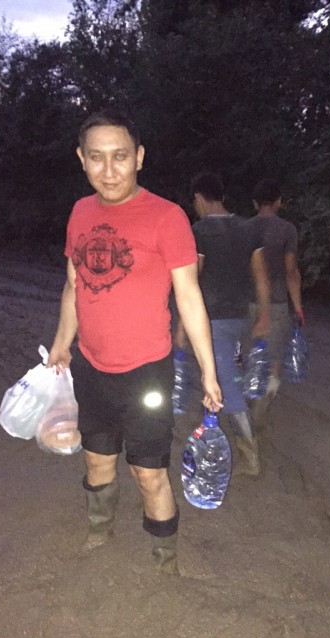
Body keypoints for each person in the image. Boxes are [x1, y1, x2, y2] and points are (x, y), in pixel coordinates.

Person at [47, 108, 222, 574]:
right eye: (97, 157)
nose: (109, 170)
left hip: (146, 372)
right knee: (97, 463)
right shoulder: (80, 212)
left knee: (148, 472)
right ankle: (99, 530)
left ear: (139, 157)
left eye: (120, 156)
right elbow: (74, 285)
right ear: (82, 159)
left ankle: (165, 557)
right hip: (91, 368)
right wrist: (62, 343)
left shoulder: (167, 217)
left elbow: (189, 297)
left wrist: (208, 371)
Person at [176, 172, 270, 476]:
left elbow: (192, 281)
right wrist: (264, 314)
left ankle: (249, 453)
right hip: (243, 317)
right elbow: (261, 275)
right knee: (226, 376)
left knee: (225, 383)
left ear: (199, 198)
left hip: (212, 320)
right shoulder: (248, 228)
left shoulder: (199, 231)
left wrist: (182, 326)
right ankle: (213, 431)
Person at [246, 178, 304, 426]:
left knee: (249, 355)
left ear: (255, 203)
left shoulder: (244, 228)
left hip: (246, 303)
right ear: (279, 202)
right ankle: (258, 413)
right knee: (274, 359)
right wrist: (298, 307)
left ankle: (246, 403)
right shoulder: (287, 230)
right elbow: (291, 272)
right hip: (278, 303)